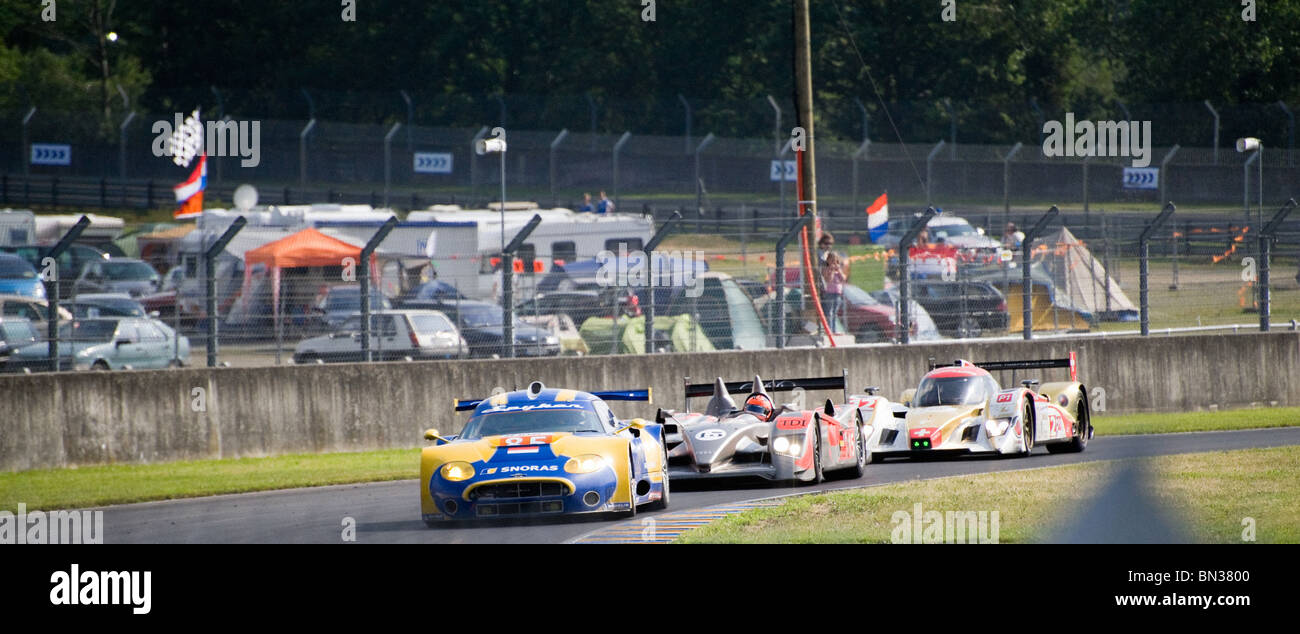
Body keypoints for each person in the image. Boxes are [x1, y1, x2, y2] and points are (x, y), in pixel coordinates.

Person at [821, 252, 846, 334]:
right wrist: (831, 270)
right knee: (829, 313)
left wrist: (839, 271)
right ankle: (829, 330)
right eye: (831, 261)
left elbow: (843, 279)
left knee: (835, 313)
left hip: (838, 292)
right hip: (829, 292)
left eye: (835, 261)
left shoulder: (838, 269)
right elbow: (828, 280)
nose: (833, 263)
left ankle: (834, 330)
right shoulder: (826, 268)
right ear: (828, 261)